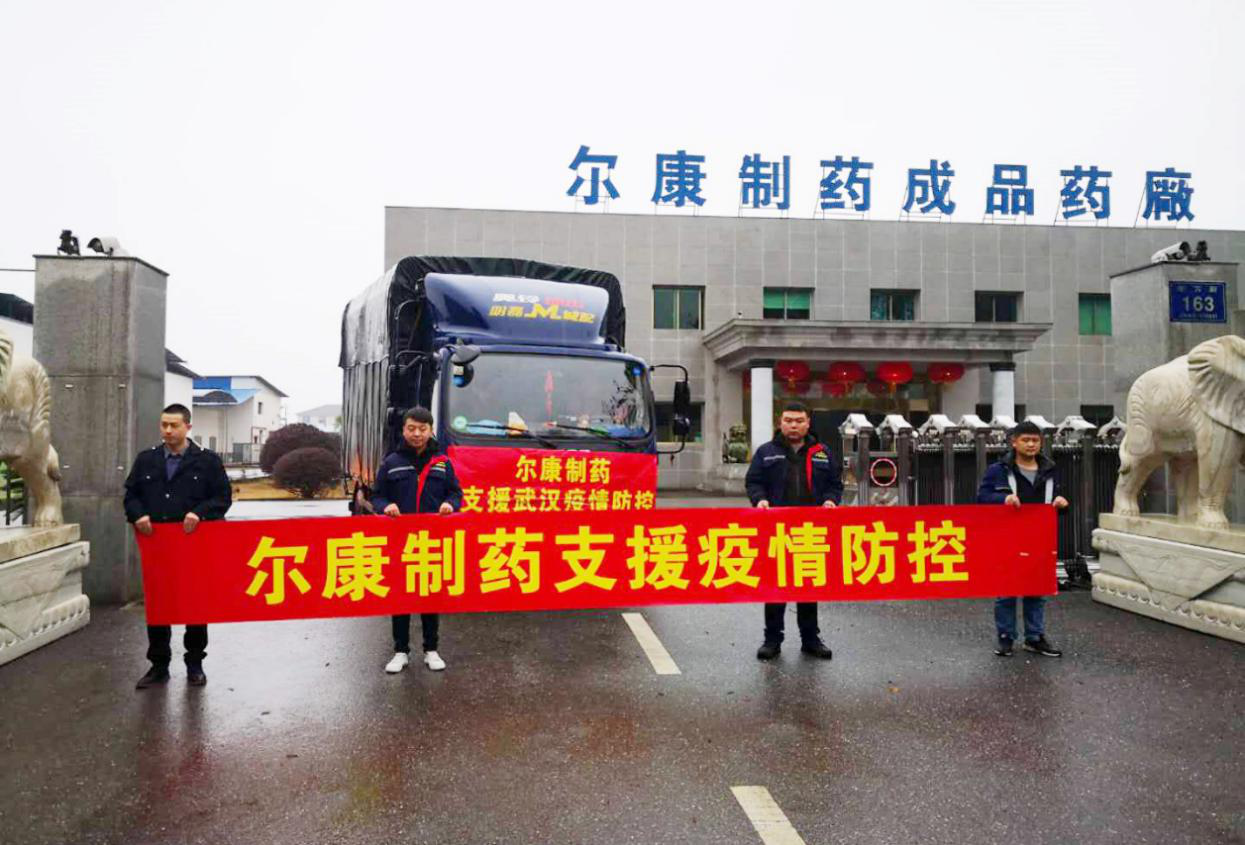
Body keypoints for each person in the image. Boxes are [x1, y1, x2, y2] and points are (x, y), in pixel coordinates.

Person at [125, 403, 232, 689]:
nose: (168, 431)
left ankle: (194, 664)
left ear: (188, 427)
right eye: (164, 425)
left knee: (195, 606)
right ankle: (158, 665)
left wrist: (200, 513)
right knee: (159, 605)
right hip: (157, 547)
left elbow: (222, 498)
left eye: (174, 425)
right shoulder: (146, 460)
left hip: (193, 546)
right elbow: (131, 495)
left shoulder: (207, 461)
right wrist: (138, 515)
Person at [744, 401, 842, 661]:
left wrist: (830, 500)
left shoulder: (822, 452)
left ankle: (811, 640)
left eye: (799, 420)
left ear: (808, 423)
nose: (793, 425)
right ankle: (772, 640)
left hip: (811, 531)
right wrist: (759, 500)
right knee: (776, 587)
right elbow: (754, 482)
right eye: (788, 420)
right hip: (776, 530)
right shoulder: (766, 452)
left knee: (808, 587)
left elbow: (835, 484)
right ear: (781, 422)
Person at [372, 406, 462, 674]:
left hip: (430, 542)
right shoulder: (391, 462)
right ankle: (400, 651)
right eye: (411, 428)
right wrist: (386, 506)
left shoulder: (443, 462)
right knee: (400, 597)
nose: (417, 434)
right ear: (403, 430)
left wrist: (450, 504)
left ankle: (431, 650)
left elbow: (456, 493)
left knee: (429, 596)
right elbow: (377, 496)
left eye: (422, 429)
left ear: (431, 430)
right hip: (400, 541)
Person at [976, 420, 1069, 658]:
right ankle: (1005, 637)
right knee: (1007, 591)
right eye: (1025, 440)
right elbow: (982, 498)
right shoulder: (999, 470)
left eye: (1035, 440)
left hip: (1040, 539)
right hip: (1007, 539)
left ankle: (1034, 638)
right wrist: (1003, 500)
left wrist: (1062, 503)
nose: (1030, 444)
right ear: (1014, 442)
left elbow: (1060, 498)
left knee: (1037, 591)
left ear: (1041, 443)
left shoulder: (1050, 470)